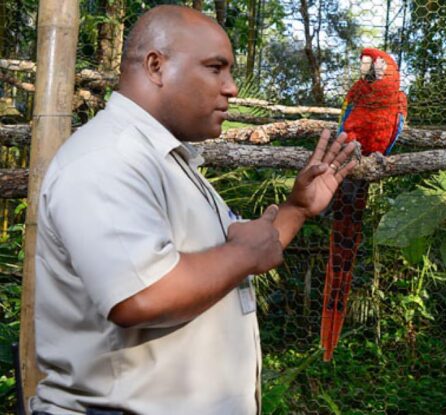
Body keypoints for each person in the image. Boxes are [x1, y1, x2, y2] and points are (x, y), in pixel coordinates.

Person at [30, 6, 357, 414]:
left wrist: (296, 209)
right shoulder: (107, 157)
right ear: (156, 66)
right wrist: (243, 254)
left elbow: (224, 262)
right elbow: (141, 295)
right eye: (216, 68)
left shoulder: (165, 161)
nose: (232, 88)